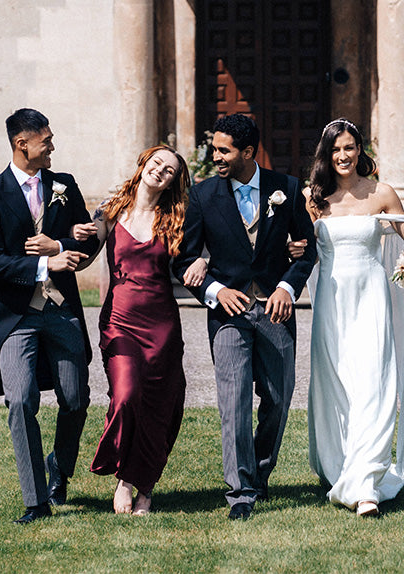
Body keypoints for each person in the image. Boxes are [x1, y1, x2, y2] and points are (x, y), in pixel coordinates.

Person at [171, 113, 317, 520]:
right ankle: (240, 492)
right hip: (228, 317)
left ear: (248, 152)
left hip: (275, 313)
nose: (215, 156)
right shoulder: (201, 196)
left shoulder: (285, 189)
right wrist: (214, 289)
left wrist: (287, 288)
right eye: (214, 148)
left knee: (276, 399)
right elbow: (182, 260)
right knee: (233, 402)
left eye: (223, 150)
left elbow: (306, 250)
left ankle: (260, 473)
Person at [0, 108, 99, 524]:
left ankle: (59, 470)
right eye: (46, 140)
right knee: (21, 400)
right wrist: (45, 266)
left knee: (76, 399)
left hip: (62, 313)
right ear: (21, 144)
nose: (53, 147)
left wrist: (60, 248)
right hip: (14, 318)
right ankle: (35, 500)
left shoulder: (65, 185)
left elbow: (89, 239)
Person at [70, 145, 208, 515]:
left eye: (169, 171)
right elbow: (84, 256)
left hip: (162, 323)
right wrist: (63, 243)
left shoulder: (176, 217)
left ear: (173, 182)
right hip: (120, 321)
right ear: (144, 163)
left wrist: (204, 263)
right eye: (157, 163)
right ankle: (125, 473)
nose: (160, 172)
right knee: (127, 396)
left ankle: (137, 484)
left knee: (161, 406)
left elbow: (198, 257)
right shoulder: (111, 211)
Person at [298, 118, 404, 517]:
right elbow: (300, 250)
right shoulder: (312, 199)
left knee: (375, 384)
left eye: (349, 147)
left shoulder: (383, 193)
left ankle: (366, 483)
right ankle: (341, 469)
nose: (343, 156)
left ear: (360, 150)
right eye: (335, 149)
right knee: (336, 387)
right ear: (325, 154)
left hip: (371, 301)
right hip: (331, 305)